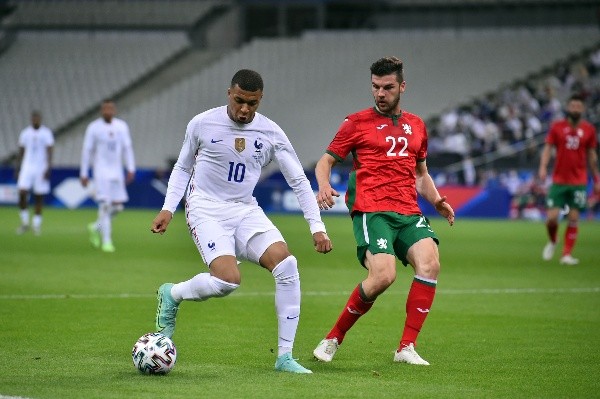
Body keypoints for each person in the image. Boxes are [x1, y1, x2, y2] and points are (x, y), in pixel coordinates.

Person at [150, 69, 332, 374]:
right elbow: (183, 167)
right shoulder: (202, 123)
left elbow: (299, 180)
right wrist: (168, 208)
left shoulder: (271, 133)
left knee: (287, 265)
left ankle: (284, 357)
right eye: (239, 101)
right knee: (226, 281)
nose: (245, 109)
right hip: (205, 207)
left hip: (245, 210)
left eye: (252, 103)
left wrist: (317, 227)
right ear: (229, 94)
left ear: (260, 100)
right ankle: (172, 294)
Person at [312, 56, 455, 366]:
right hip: (371, 210)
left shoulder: (416, 125)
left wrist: (438, 200)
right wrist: (323, 185)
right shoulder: (355, 122)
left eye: (388, 87)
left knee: (430, 264)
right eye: (375, 87)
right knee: (383, 276)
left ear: (401, 86)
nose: (380, 93)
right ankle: (333, 337)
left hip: (408, 210)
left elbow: (420, 174)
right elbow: (325, 161)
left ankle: (406, 347)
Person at [539, 93, 600, 265]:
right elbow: (547, 148)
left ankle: (566, 254)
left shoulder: (589, 130)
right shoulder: (557, 127)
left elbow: (592, 156)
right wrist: (543, 167)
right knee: (551, 218)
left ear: (583, 109)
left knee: (573, 218)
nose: (575, 109)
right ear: (568, 107)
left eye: (578, 106)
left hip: (579, 181)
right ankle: (553, 240)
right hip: (559, 180)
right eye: (572, 106)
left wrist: (596, 179)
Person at [80, 99, 136, 253]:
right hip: (101, 172)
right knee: (105, 205)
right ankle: (106, 241)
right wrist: (84, 172)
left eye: (110, 108)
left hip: (117, 172)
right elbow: (87, 151)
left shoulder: (122, 126)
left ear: (114, 110)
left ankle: (95, 227)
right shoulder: (93, 128)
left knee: (118, 207)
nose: (108, 111)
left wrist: (130, 168)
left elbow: (127, 148)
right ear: (101, 110)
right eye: (105, 109)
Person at [15, 110, 54, 235]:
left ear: (40, 119)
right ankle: (25, 222)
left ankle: (36, 224)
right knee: (22, 192)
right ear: (31, 119)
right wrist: (17, 168)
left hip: (40, 168)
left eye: (37, 118)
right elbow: (21, 151)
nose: (35, 120)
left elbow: (50, 151)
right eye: (33, 118)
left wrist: (48, 167)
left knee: (39, 196)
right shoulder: (25, 133)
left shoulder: (46, 133)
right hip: (27, 167)